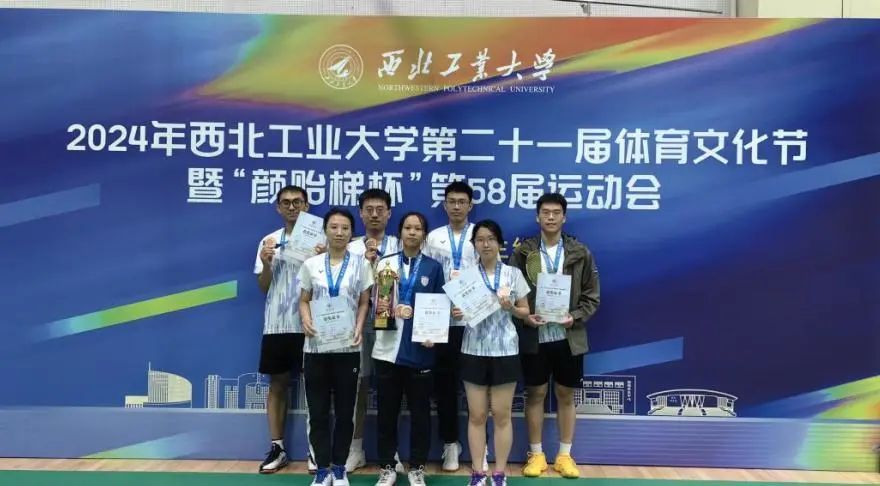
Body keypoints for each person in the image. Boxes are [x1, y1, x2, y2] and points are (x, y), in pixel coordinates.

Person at [510, 193, 601, 479]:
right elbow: (511, 293)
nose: (550, 217)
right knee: (535, 393)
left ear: (564, 217)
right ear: (537, 216)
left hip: (568, 336)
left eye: (556, 212)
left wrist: (574, 316)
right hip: (534, 335)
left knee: (566, 394)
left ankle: (564, 455)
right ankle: (536, 454)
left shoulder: (580, 252)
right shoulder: (523, 252)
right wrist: (525, 316)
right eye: (545, 212)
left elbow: (592, 296)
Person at [298, 208, 374, 486]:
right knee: (317, 412)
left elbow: (364, 301)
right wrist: (306, 319)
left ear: (351, 233)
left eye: (345, 228)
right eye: (334, 227)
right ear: (325, 231)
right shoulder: (311, 264)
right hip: (316, 348)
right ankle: (322, 470)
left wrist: (359, 326)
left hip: (347, 348)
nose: (339, 233)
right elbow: (304, 299)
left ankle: (339, 468)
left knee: (345, 412)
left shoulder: (361, 265)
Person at [372, 212, 446, 486]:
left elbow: (439, 304)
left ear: (424, 234)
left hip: (420, 350)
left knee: (420, 414)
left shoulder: (433, 267)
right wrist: (390, 311)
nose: (412, 232)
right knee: (386, 413)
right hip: (387, 348)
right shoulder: (386, 263)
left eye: (417, 228)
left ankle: (417, 467)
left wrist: (433, 333)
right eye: (407, 227)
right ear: (400, 232)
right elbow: (377, 303)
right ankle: (387, 467)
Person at [455, 220, 531, 486]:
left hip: (505, 350)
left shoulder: (513, 274)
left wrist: (511, 308)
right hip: (473, 350)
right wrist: (457, 313)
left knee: (501, 414)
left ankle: (499, 473)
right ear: (474, 244)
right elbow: (456, 312)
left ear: (499, 243)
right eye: (480, 239)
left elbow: (526, 312)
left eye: (490, 239)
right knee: (476, 415)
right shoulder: (464, 277)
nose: (485, 244)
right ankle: (477, 473)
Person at [254, 185, 320, 474]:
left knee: (315, 386)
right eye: (286, 203)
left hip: (312, 324)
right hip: (277, 324)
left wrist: (320, 258)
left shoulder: (323, 239)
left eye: (297, 202)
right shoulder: (268, 241)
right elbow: (263, 286)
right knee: (278, 384)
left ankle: (316, 448)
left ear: (306, 206)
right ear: (278, 208)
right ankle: (277, 448)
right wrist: (267, 264)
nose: (292, 207)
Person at [344, 188, 403, 473]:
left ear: (389, 213)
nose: (375, 214)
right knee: (359, 386)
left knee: (392, 389)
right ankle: (355, 449)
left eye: (381, 209)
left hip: (392, 325)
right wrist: (366, 263)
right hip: (358, 324)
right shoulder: (350, 247)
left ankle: (392, 453)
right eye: (369, 209)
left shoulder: (401, 244)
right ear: (361, 213)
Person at [423, 181, 480, 471]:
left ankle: (480, 446)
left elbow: (490, 276)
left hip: (473, 323)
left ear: (470, 205)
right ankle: (450, 444)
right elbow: (425, 276)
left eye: (462, 202)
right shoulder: (433, 237)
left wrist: (470, 306)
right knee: (444, 387)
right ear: (444, 205)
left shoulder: (480, 235)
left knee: (476, 388)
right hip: (440, 324)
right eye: (452, 201)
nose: (456, 206)